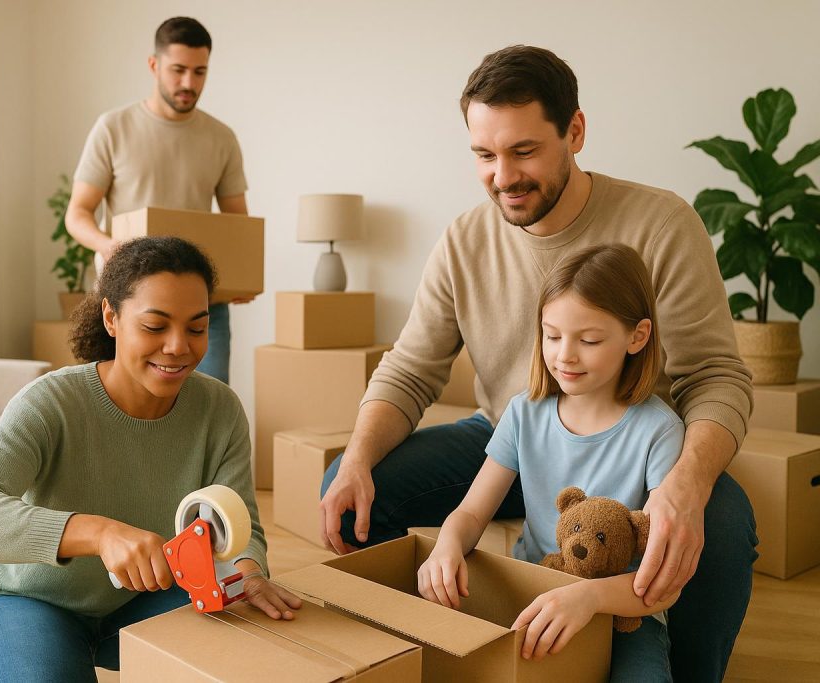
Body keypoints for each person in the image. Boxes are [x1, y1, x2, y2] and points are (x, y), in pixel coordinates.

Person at [319, 45, 757, 682]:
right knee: (348, 488)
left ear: (574, 132)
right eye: (484, 155)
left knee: (719, 524)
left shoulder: (661, 223)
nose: (503, 176)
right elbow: (410, 370)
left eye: (524, 152)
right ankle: (413, 655)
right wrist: (358, 458)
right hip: (514, 434)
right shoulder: (464, 240)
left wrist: (684, 486)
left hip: (634, 453)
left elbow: (717, 376)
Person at [0, 237, 301, 682]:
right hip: (30, 603)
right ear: (112, 317)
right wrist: (98, 533)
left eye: (196, 327)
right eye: (155, 326)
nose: (178, 347)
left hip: (149, 599)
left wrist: (248, 574)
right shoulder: (51, 402)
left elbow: (238, 523)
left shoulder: (219, 409)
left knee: (254, 648)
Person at [419, 244, 683, 682]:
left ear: (637, 337)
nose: (565, 355)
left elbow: (663, 586)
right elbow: (471, 512)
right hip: (533, 593)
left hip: (623, 614)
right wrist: (447, 544)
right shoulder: (524, 413)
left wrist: (590, 598)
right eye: (552, 335)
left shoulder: (660, 431)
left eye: (590, 340)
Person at [65, 16, 250, 384]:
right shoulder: (113, 128)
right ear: (154, 65)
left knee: (207, 404)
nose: (188, 83)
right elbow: (78, 213)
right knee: (120, 405)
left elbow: (238, 224)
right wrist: (107, 245)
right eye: (178, 70)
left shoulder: (221, 138)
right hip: (128, 298)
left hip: (200, 304)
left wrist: (241, 274)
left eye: (200, 72)